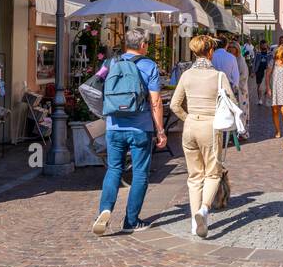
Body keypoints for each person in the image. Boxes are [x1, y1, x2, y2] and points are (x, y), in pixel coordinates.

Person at [91, 30, 167, 235]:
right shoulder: (149, 65)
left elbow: (95, 87)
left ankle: (104, 209)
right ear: (142, 45)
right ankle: (131, 221)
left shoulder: (109, 63)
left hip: (114, 127)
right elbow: (156, 102)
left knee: (114, 169)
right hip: (140, 128)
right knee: (140, 173)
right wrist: (160, 130)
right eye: (146, 44)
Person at [169, 34, 230, 238]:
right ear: (210, 51)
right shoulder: (219, 76)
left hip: (190, 126)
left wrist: (188, 118)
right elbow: (232, 104)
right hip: (210, 126)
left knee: (194, 176)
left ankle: (194, 223)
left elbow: (174, 105)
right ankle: (204, 210)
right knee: (213, 172)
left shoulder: (186, 75)